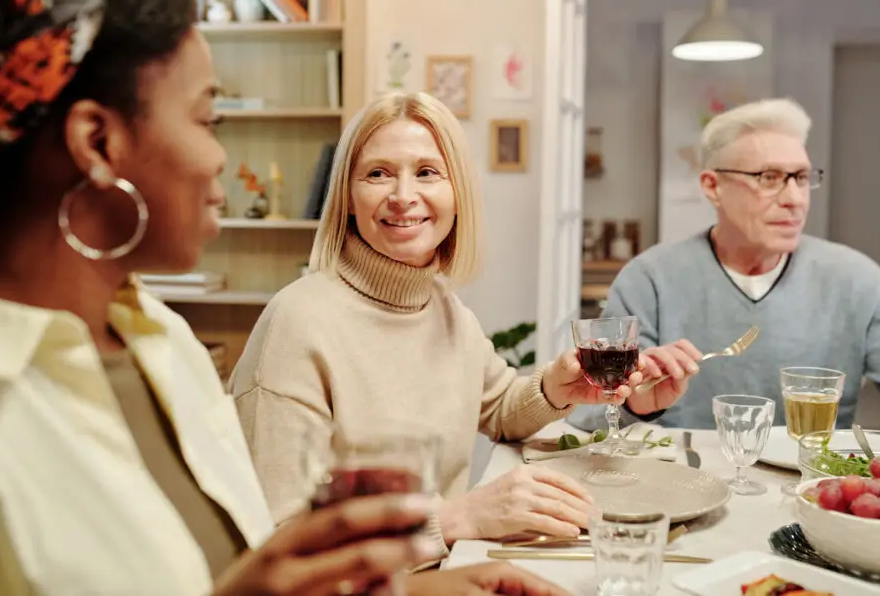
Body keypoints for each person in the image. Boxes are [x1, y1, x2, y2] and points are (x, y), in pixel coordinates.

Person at [0, 0, 571, 595]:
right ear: (98, 144)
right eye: (208, 120)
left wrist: (453, 587)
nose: (221, 157)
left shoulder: (161, 344)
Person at [228, 91, 692, 559]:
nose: (403, 196)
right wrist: (455, 518)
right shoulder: (296, 324)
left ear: (457, 195)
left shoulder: (443, 307)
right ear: (348, 197)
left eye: (427, 172)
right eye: (377, 174)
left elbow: (499, 408)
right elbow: (279, 540)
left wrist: (560, 387)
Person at [568, 98, 880, 451]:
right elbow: (588, 414)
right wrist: (639, 403)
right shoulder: (649, 279)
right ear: (713, 187)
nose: (794, 199)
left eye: (801, 177)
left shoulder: (857, 280)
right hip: (686, 487)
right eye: (769, 177)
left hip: (812, 490)